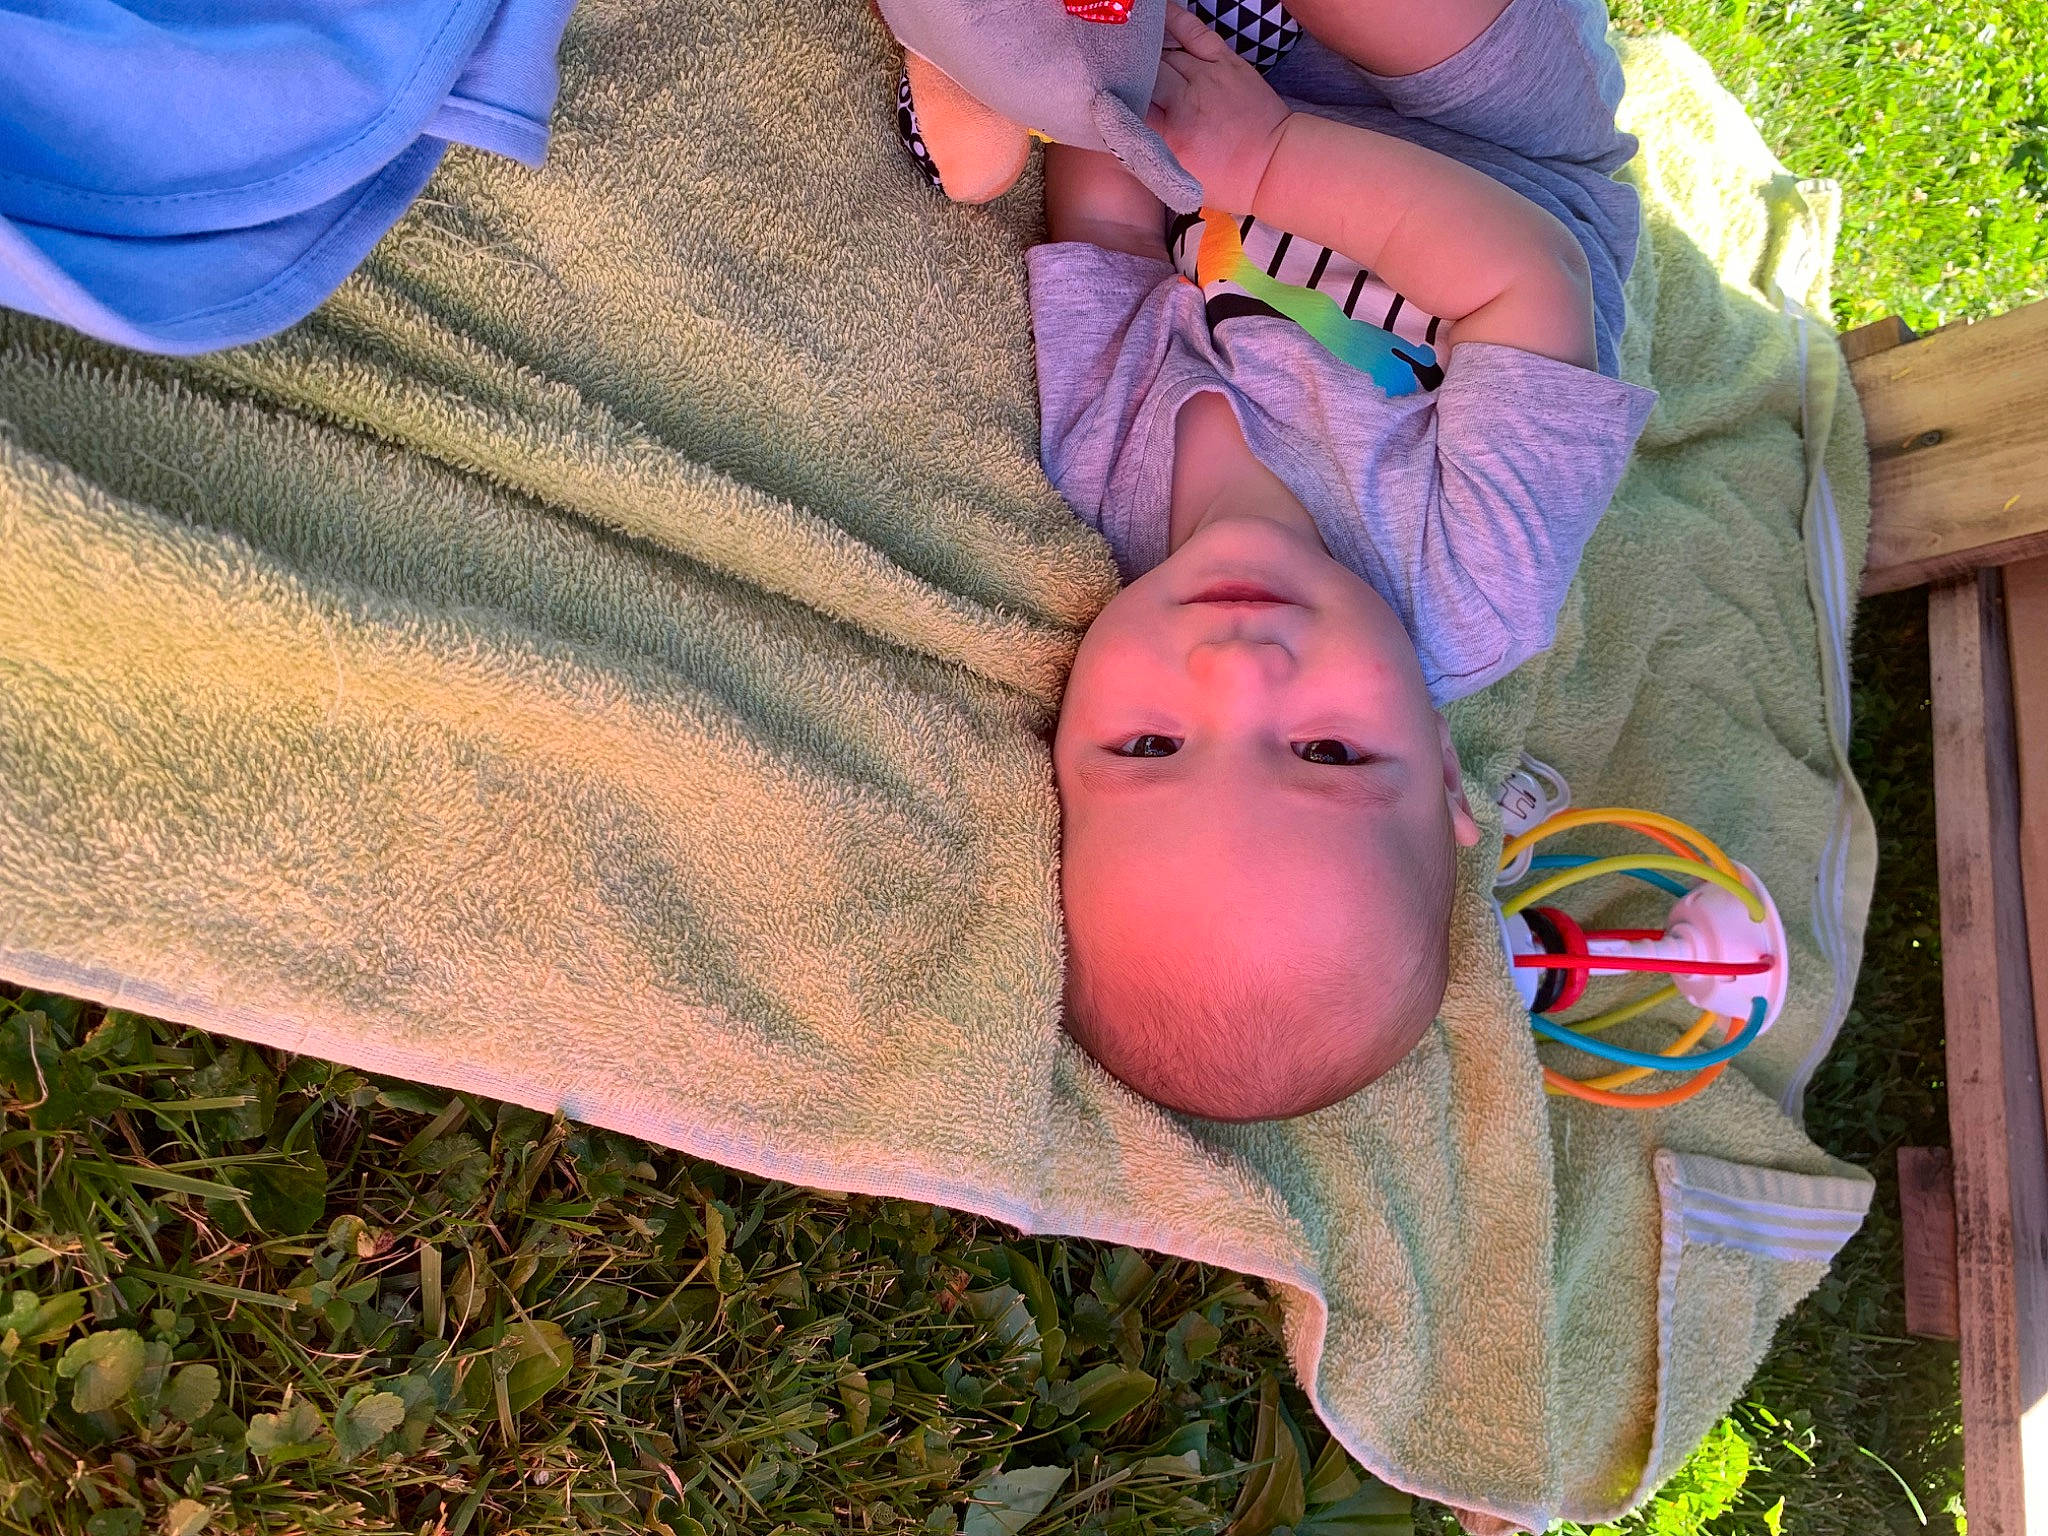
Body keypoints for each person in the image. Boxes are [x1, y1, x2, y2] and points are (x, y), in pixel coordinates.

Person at [1032, 0, 1657, 1120]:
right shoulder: (1475, 584)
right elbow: (1523, 284)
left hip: (1237, 110)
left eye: (1148, 743)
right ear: (1445, 769)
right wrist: (1267, 155)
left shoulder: (1099, 481)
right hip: (1491, 151)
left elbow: (1111, 245)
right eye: (1325, 750)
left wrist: (1103, 66)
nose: (1235, 667)